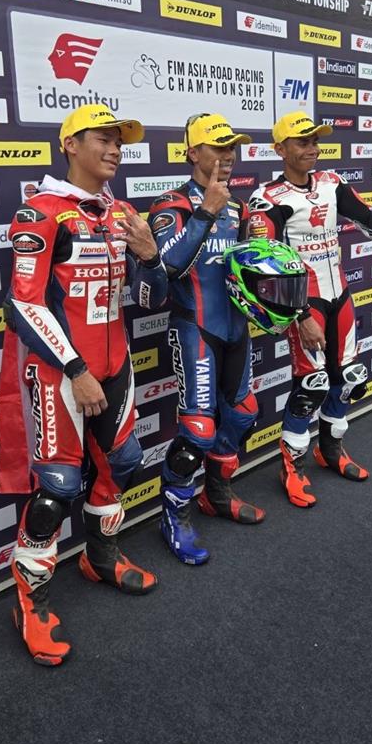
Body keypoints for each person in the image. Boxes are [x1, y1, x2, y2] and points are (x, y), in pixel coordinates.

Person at [0, 104, 168, 666]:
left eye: (120, 140)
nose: (115, 148)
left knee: (123, 460)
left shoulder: (124, 213)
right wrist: (75, 370)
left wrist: (150, 257)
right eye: (103, 138)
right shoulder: (40, 212)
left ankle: (100, 557)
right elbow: (23, 305)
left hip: (116, 365)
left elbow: (151, 300)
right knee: (57, 488)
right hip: (61, 371)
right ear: (70, 144)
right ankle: (31, 603)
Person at [248, 112, 372, 508]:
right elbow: (266, 264)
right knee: (310, 384)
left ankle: (330, 449)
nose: (312, 148)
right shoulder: (268, 198)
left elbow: (368, 217)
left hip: (340, 295)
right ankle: (292, 467)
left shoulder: (331, 183)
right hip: (304, 303)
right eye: (302, 142)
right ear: (280, 149)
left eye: (315, 141)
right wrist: (300, 316)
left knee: (346, 377)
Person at [147, 113, 264, 566]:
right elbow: (168, 267)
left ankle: (216, 493)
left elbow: (244, 271)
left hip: (237, 329)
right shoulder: (170, 204)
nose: (227, 155)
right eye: (217, 147)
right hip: (195, 328)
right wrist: (206, 211)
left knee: (243, 413)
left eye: (232, 147)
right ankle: (173, 517)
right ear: (193, 153)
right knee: (198, 430)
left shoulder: (240, 207)